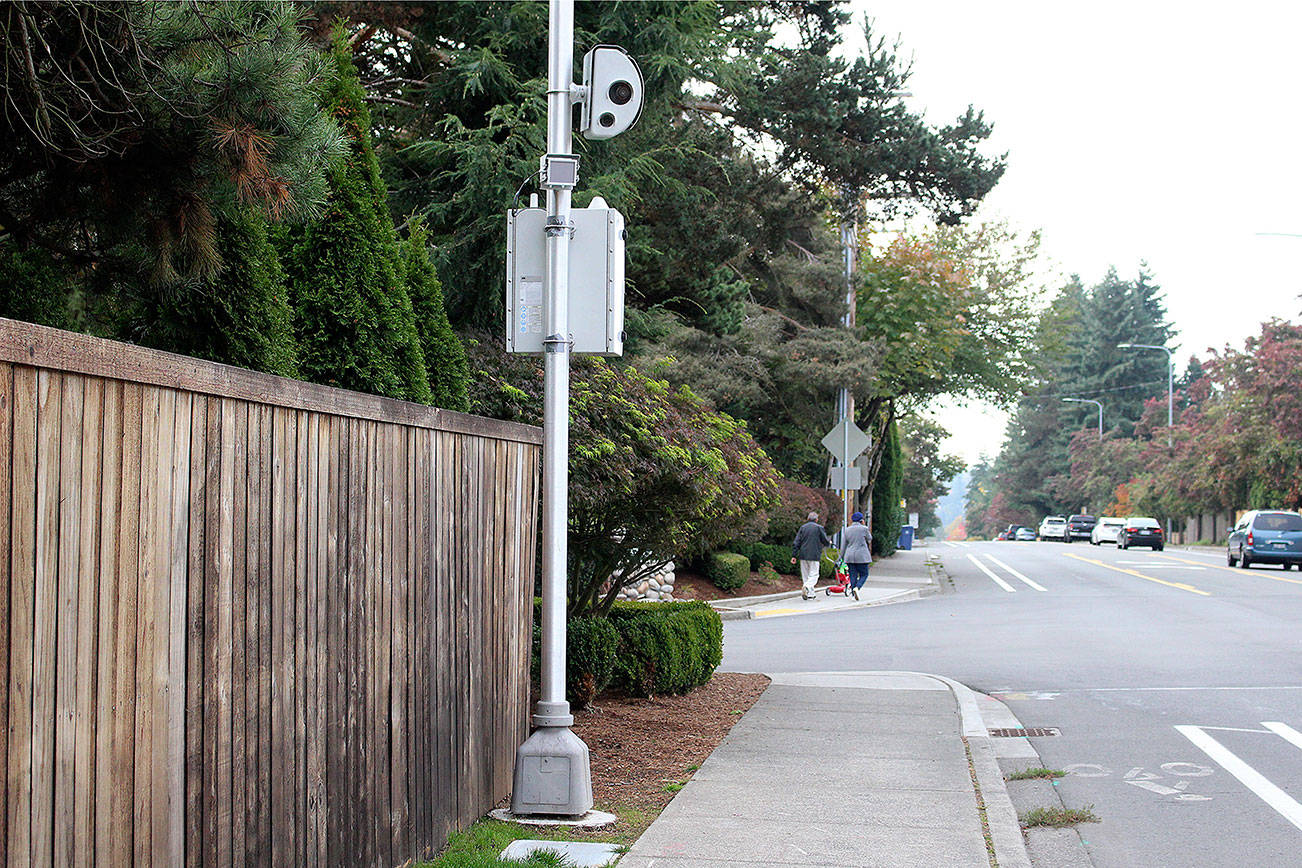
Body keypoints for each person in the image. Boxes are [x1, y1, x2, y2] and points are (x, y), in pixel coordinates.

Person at [790, 512, 831, 600]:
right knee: (814, 574)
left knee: (805, 575)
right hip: (814, 554)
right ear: (816, 520)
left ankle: (810, 593)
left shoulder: (803, 528)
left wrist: (794, 555)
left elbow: (796, 542)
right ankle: (807, 587)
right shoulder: (819, 528)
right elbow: (824, 540)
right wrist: (828, 543)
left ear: (808, 519)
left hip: (803, 554)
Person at [839, 511, 873, 601]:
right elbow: (869, 539)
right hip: (861, 556)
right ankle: (857, 588)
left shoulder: (847, 530)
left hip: (849, 556)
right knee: (864, 574)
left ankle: (854, 595)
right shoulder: (864, 529)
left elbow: (843, 546)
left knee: (852, 575)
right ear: (861, 520)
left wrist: (840, 558)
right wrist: (865, 525)